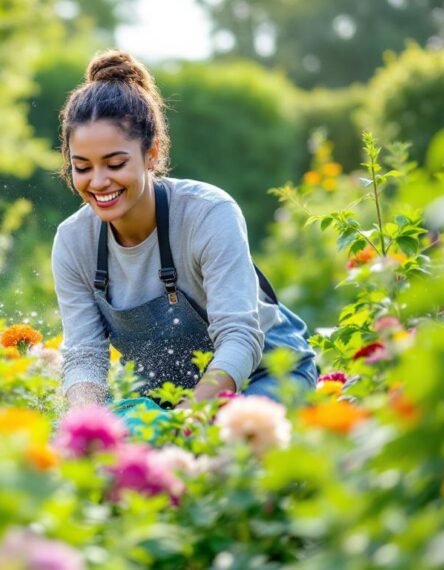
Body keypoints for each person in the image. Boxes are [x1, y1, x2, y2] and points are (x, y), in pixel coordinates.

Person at [51, 50, 317, 409]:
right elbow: (85, 355)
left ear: (151, 154)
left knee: (230, 445)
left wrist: (187, 418)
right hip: (167, 394)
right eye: (81, 167)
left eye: (115, 163)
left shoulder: (207, 214)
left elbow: (239, 337)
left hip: (265, 373)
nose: (98, 182)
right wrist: (89, 423)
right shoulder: (73, 241)